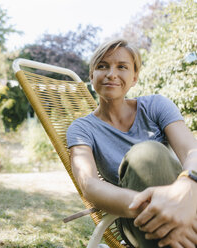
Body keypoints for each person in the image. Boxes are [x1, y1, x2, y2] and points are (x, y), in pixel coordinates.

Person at [66, 38, 197, 248]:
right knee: (146, 154)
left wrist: (188, 186)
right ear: (91, 76)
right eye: (102, 66)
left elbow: (192, 150)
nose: (111, 74)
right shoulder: (82, 129)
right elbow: (89, 185)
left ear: (134, 77)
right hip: (136, 216)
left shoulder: (156, 106)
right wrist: (156, 207)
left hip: (187, 205)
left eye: (122, 67)